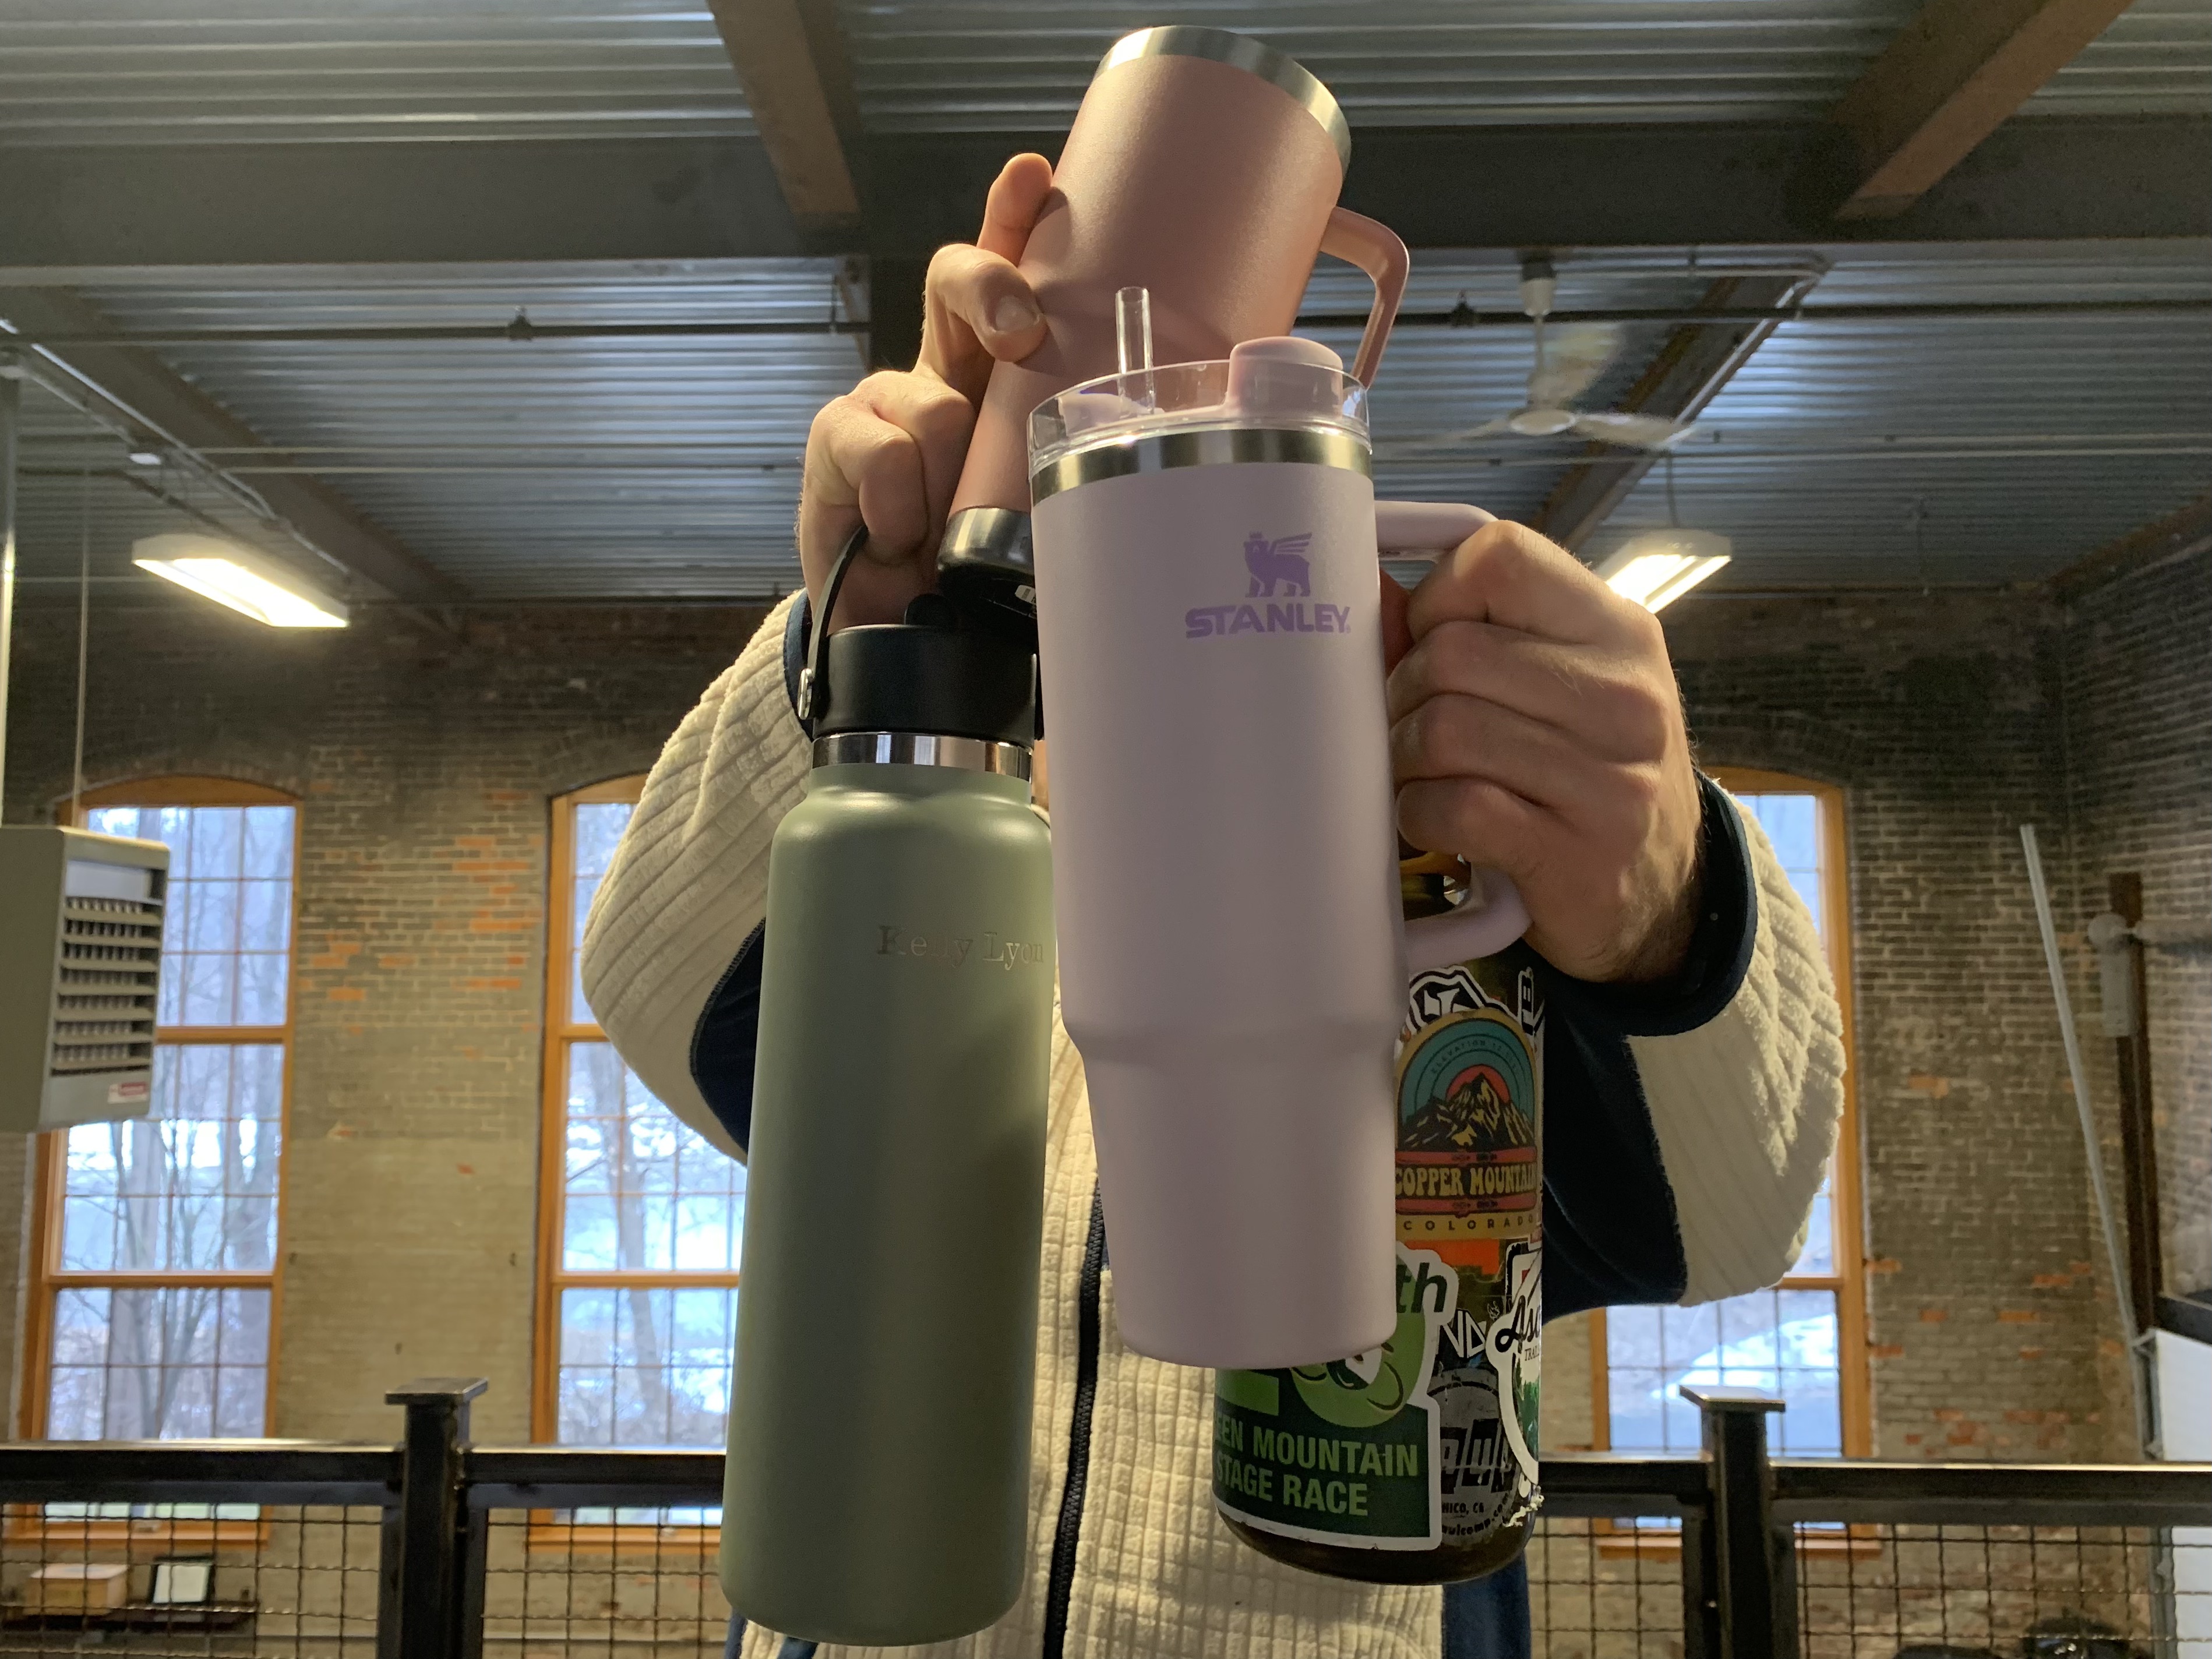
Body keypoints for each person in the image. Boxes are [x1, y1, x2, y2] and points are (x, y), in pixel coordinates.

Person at [581, 154, 1846, 1659]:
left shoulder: (1446, 892)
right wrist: (869, 657)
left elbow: (1726, 1220)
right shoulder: (951, 874)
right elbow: (667, 1007)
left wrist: (1658, 909)